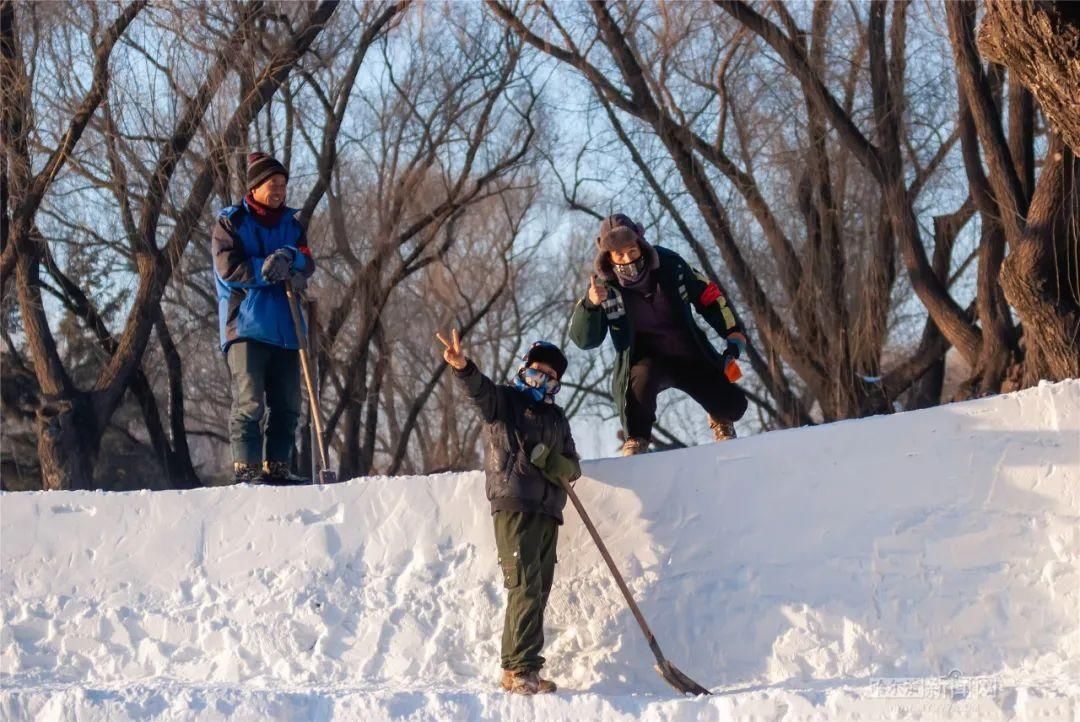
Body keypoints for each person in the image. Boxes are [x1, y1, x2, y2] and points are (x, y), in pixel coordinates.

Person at [437, 329, 581, 695]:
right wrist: (462, 366)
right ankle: (520, 670)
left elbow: (573, 466)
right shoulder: (505, 401)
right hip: (513, 502)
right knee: (524, 587)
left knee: (539, 588)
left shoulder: (557, 418)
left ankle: (518, 668)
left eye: (550, 375)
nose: (542, 378)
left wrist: (552, 462)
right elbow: (479, 391)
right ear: (525, 367)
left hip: (549, 510)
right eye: (537, 369)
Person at [569, 213, 748, 455]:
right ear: (609, 259)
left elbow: (708, 296)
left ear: (641, 245)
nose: (627, 259)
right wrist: (591, 306)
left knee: (734, 406)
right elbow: (584, 340)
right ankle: (637, 439)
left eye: (632, 250)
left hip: (688, 355)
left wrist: (733, 333)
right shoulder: (602, 289)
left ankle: (720, 418)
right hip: (647, 363)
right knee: (641, 381)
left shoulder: (671, 265)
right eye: (619, 254)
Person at [212, 152, 316, 484]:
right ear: (256, 186)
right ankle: (247, 468)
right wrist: (266, 269)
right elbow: (229, 268)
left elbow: (306, 260)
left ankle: (279, 466)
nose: (279, 191)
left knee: (288, 404)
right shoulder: (231, 221)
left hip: (287, 328)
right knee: (250, 400)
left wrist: (290, 259)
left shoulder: (292, 224)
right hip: (246, 325)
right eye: (273, 184)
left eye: (283, 185)